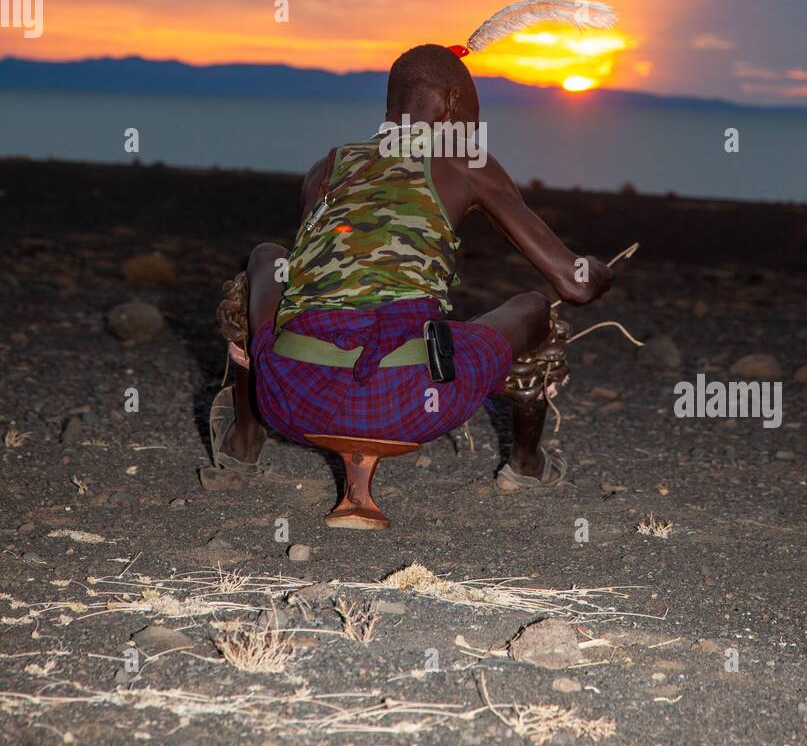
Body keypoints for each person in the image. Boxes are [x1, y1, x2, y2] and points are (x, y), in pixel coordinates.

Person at [214, 43, 613, 491]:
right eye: (472, 115)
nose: (473, 130)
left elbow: (313, 274)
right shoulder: (465, 160)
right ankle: (526, 465)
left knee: (268, 258)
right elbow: (575, 285)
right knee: (534, 308)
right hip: (407, 402)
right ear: (453, 101)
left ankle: (244, 438)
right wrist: (601, 270)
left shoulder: (327, 166)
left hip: (290, 397)